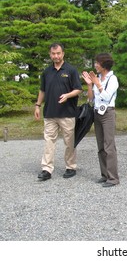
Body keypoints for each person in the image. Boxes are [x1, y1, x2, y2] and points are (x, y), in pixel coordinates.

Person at [35, 43, 82, 181]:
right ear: (50, 55)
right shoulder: (46, 72)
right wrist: (37, 105)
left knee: (69, 142)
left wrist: (67, 95)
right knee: (49, 141)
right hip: (50, 113)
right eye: (53, 54)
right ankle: (46, 169)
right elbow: (42, 90)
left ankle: (70, 166)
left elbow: (78, 89)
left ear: (63, 54)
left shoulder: (71, 70)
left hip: (67, 113)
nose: (56, 56)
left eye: (58, 53)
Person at [82, 53, 120, 187]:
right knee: (100, 146)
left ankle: (113, 178)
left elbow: (107, 97)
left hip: (108, 113)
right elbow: (91, 99)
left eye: (97, 63)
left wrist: (98, 84)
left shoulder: (112, 79)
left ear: (104, 65)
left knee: (109, 146)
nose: (95, 65)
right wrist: (89, 85)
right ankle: (104, 175)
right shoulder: (97, 78)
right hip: (97, 112)